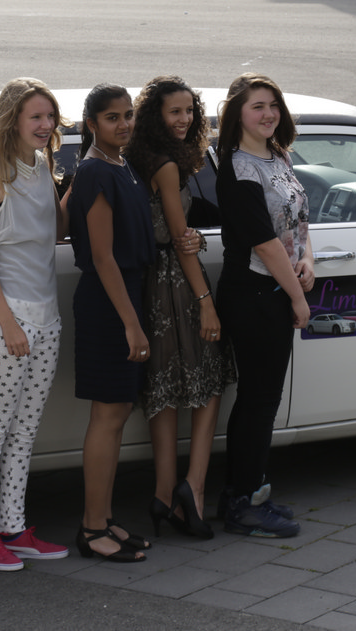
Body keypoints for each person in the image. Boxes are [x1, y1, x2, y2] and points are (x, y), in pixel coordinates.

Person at [0, 78, 72, 571]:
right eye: (36, 116)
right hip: (6, 319)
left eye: (50, 117)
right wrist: (8, 323)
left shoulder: (43, 166)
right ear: (12, 119)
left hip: (47, 319)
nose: (45, 125)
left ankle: (13, 527)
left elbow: (55, 233)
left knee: (25, 431)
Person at [126, 76, 237, 541]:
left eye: (190, 111)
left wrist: (190, 237)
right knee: (209, 380)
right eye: (175, 111)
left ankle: (164, 493)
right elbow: (178, 237)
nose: (185, 119)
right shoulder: (168, 166)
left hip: (149, 283)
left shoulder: (136, 156)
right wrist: (206, 303)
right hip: (178, 284)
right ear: (156, 114)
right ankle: (194, 486)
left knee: (166, 389)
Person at [215, 73, 314, 538]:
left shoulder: (278, 156)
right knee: (258, 401)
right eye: (257, 106)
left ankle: (250, 492)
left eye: (273, 104)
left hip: (275, 291)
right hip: (253, 296)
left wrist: (308, 261)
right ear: (237, 114)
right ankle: (244, 502)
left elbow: (297, 222)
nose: (269, 113)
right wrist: (297, 297)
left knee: (262, 398)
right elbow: (265, 243)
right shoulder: (238, 168)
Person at [68, 84, 155, 562]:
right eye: (112, 117)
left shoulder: (121, 164)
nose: (123, 124)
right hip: (108, 304)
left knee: (118, 412)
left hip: (126, 296)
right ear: (91, 124)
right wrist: (131, 324)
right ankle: (91, 528)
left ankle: (104, 517)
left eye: (128, 115)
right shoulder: (96, 171)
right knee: (106, 416)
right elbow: (102, 257)